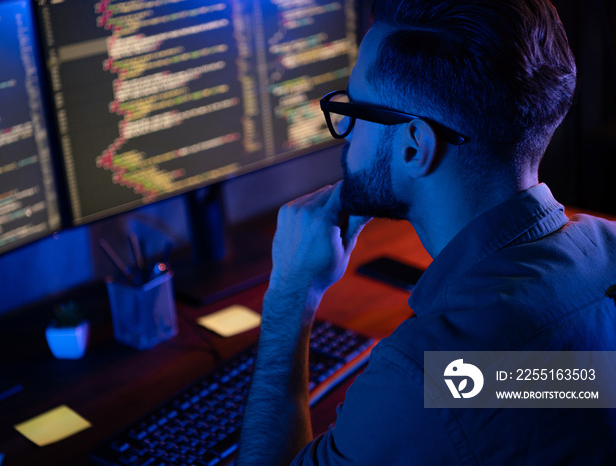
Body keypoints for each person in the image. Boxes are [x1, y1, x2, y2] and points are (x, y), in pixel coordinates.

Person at [236, 0, 616, 464]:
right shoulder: (609, 244)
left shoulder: (425, 374)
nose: (348, 131)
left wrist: (290, 297)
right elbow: (557, 382)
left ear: (414, 146)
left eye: (355, 108)